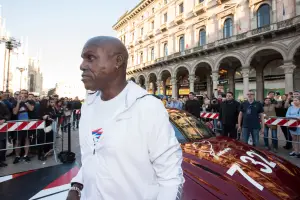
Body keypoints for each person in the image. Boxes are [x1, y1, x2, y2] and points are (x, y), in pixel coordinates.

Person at [67, 36, 184, 200]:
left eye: (90, 58)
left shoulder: (147, 107)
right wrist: (77, 186)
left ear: (118, 61)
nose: (82, 65)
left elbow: (171, 178)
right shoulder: (89, 105)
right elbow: (93, 156)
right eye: (83, 59)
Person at [12, 89, 35, 163]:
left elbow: (31, 109)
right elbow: (15, 112)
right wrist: (18, 103)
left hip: (27, 124)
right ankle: (17, 156)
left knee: (27, 139)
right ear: (20, 94)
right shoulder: (15, 102)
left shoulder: (30, 101)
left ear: (27, 94)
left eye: (25, 93)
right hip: (18, 125)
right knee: (17, 141)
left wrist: (26, 102)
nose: (23, 94)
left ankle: (26, 155)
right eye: (22, 93)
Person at [0, 100, 11, 167]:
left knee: (2, 143)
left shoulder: (2, 105)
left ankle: (1, 160)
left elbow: (8, 114)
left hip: (2, 127)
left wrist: (4, 119)